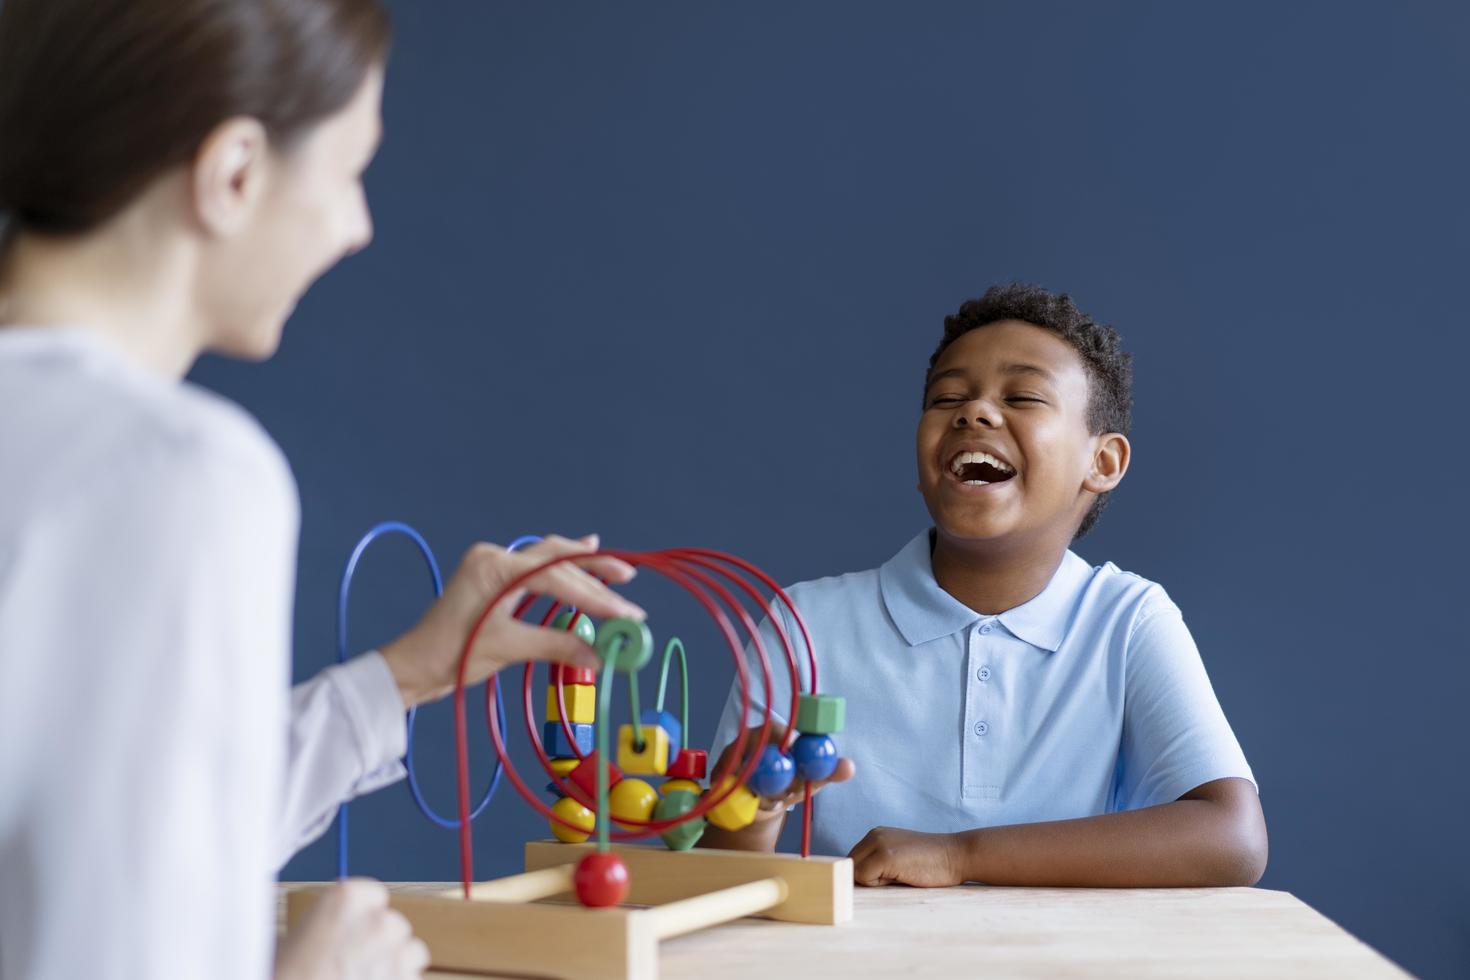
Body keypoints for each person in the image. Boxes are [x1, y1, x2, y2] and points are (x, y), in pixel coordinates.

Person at [0, 2, 644, 977]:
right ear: (234, 172)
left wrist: (411, 672)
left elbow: (115, 838)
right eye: (348, 172)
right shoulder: (180, 471)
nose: (356, 227)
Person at [704, 283, 1268, 889]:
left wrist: (958, 855)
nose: (973, 413)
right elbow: (716, 872)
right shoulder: (805, 623)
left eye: (1022, 396)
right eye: (946, 398)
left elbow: (1231, 840)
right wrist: (753, 808)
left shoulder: (1128, 620)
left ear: (1101, 462)